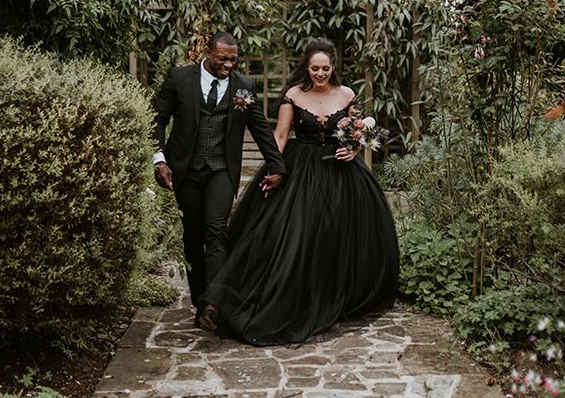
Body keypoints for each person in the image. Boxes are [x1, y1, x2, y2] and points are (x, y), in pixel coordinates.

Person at [201, 37, 399, 345]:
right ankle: (295, 298)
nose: (320, 73)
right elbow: (280, 135)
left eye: (325, 68)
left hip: (340, 172)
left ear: (333, 68)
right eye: (314, 68)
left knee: (336, 232)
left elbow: (356, 132)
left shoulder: (346, 94)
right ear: (306, 68)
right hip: (301, 168)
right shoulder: (293, 94)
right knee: (298, 233)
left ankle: (335, 295)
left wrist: (353, 149)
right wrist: (273, 168)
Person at [152, 31, 286, 328]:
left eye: (233, 60)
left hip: (221, 170)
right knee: (193, 235)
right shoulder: (179, 78)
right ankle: (200, 301)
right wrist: (158, 159)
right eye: (222, 59)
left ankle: (213, 304)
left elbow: (261, 129)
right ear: (207, 52)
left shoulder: (243, 87)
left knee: (216, 230)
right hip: (186, 170)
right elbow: (157, 119)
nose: (228, 65)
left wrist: (277, 166)